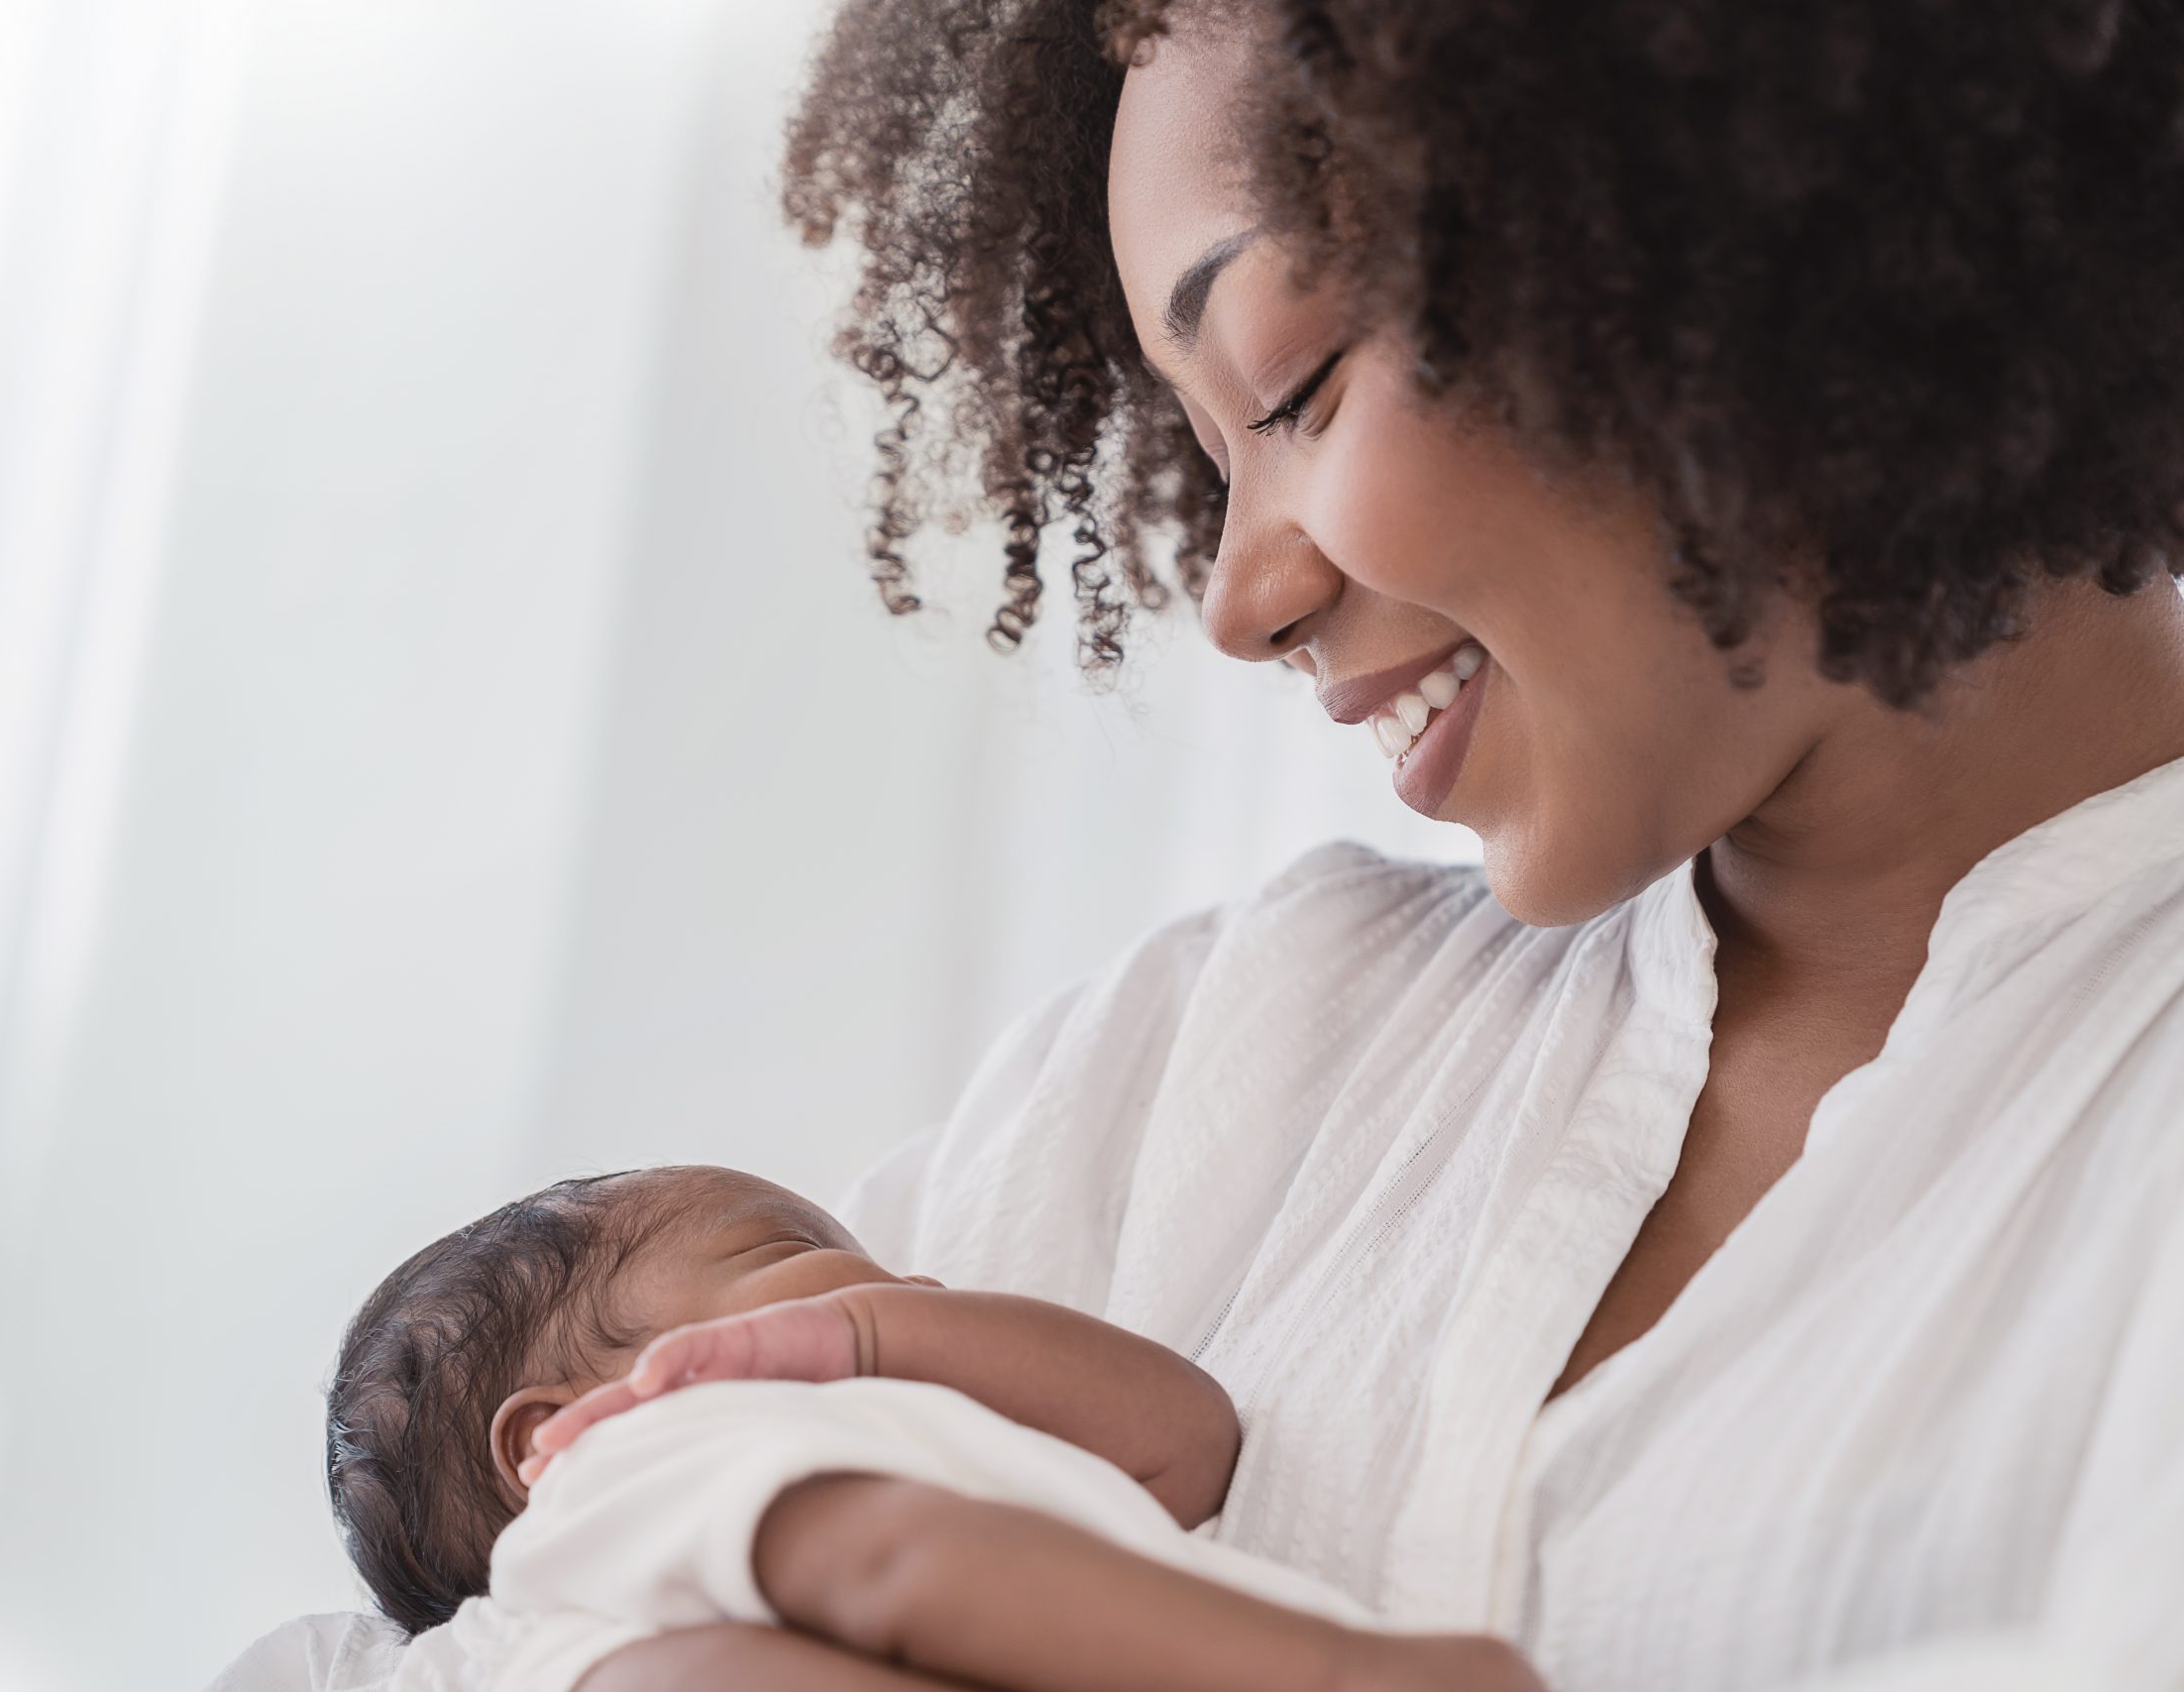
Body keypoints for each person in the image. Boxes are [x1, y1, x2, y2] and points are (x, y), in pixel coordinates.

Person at [218, 1, 2184, 1686]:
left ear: (1736, 232)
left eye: (1291, 384)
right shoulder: (1217, 1046)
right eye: (1196, 451)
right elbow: (456, 1610)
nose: (1239, 595)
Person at [317, 1163, 1525, 1692]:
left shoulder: (927, 1439)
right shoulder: (633, 1459)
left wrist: (875, 1336)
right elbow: (893, 1565)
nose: (906, 1286)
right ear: (554, 1436)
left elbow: (1187, 1438)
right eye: (795, 1254)